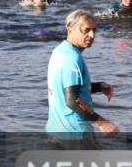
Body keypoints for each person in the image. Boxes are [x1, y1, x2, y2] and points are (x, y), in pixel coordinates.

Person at [45, 10, 118, 140]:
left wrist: (99, 86)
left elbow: (68, 87)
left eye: (94, 30)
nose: (92, 35)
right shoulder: (73, 58)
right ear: (70, 30)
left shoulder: (60, 51)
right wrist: (102, 123)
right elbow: (72, 100)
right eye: (86, 30)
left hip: (55, 131)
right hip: (76, 134)